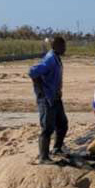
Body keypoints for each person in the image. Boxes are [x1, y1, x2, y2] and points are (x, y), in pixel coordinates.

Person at [27, 36, 68, 164]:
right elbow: (32, 72)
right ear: (55, 46)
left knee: (62, 124)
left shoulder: (56, 58)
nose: (65, 48)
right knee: (47, 128)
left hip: (56, 97)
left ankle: (57, 148)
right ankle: (43, 157)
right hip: (47, 99)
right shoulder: (50, 59)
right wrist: (42, 90)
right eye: (63, 46)